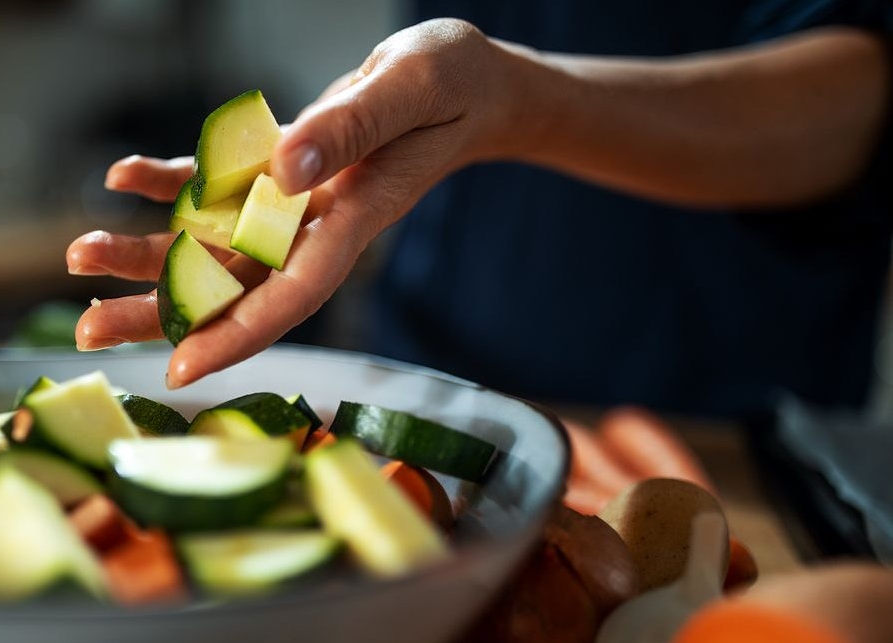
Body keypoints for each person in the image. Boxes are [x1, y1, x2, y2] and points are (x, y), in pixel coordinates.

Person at [66, 1, 892, 419]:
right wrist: (350, 133)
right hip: (427, 371)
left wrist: (525, 100)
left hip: (713, 406)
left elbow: (858, 100)